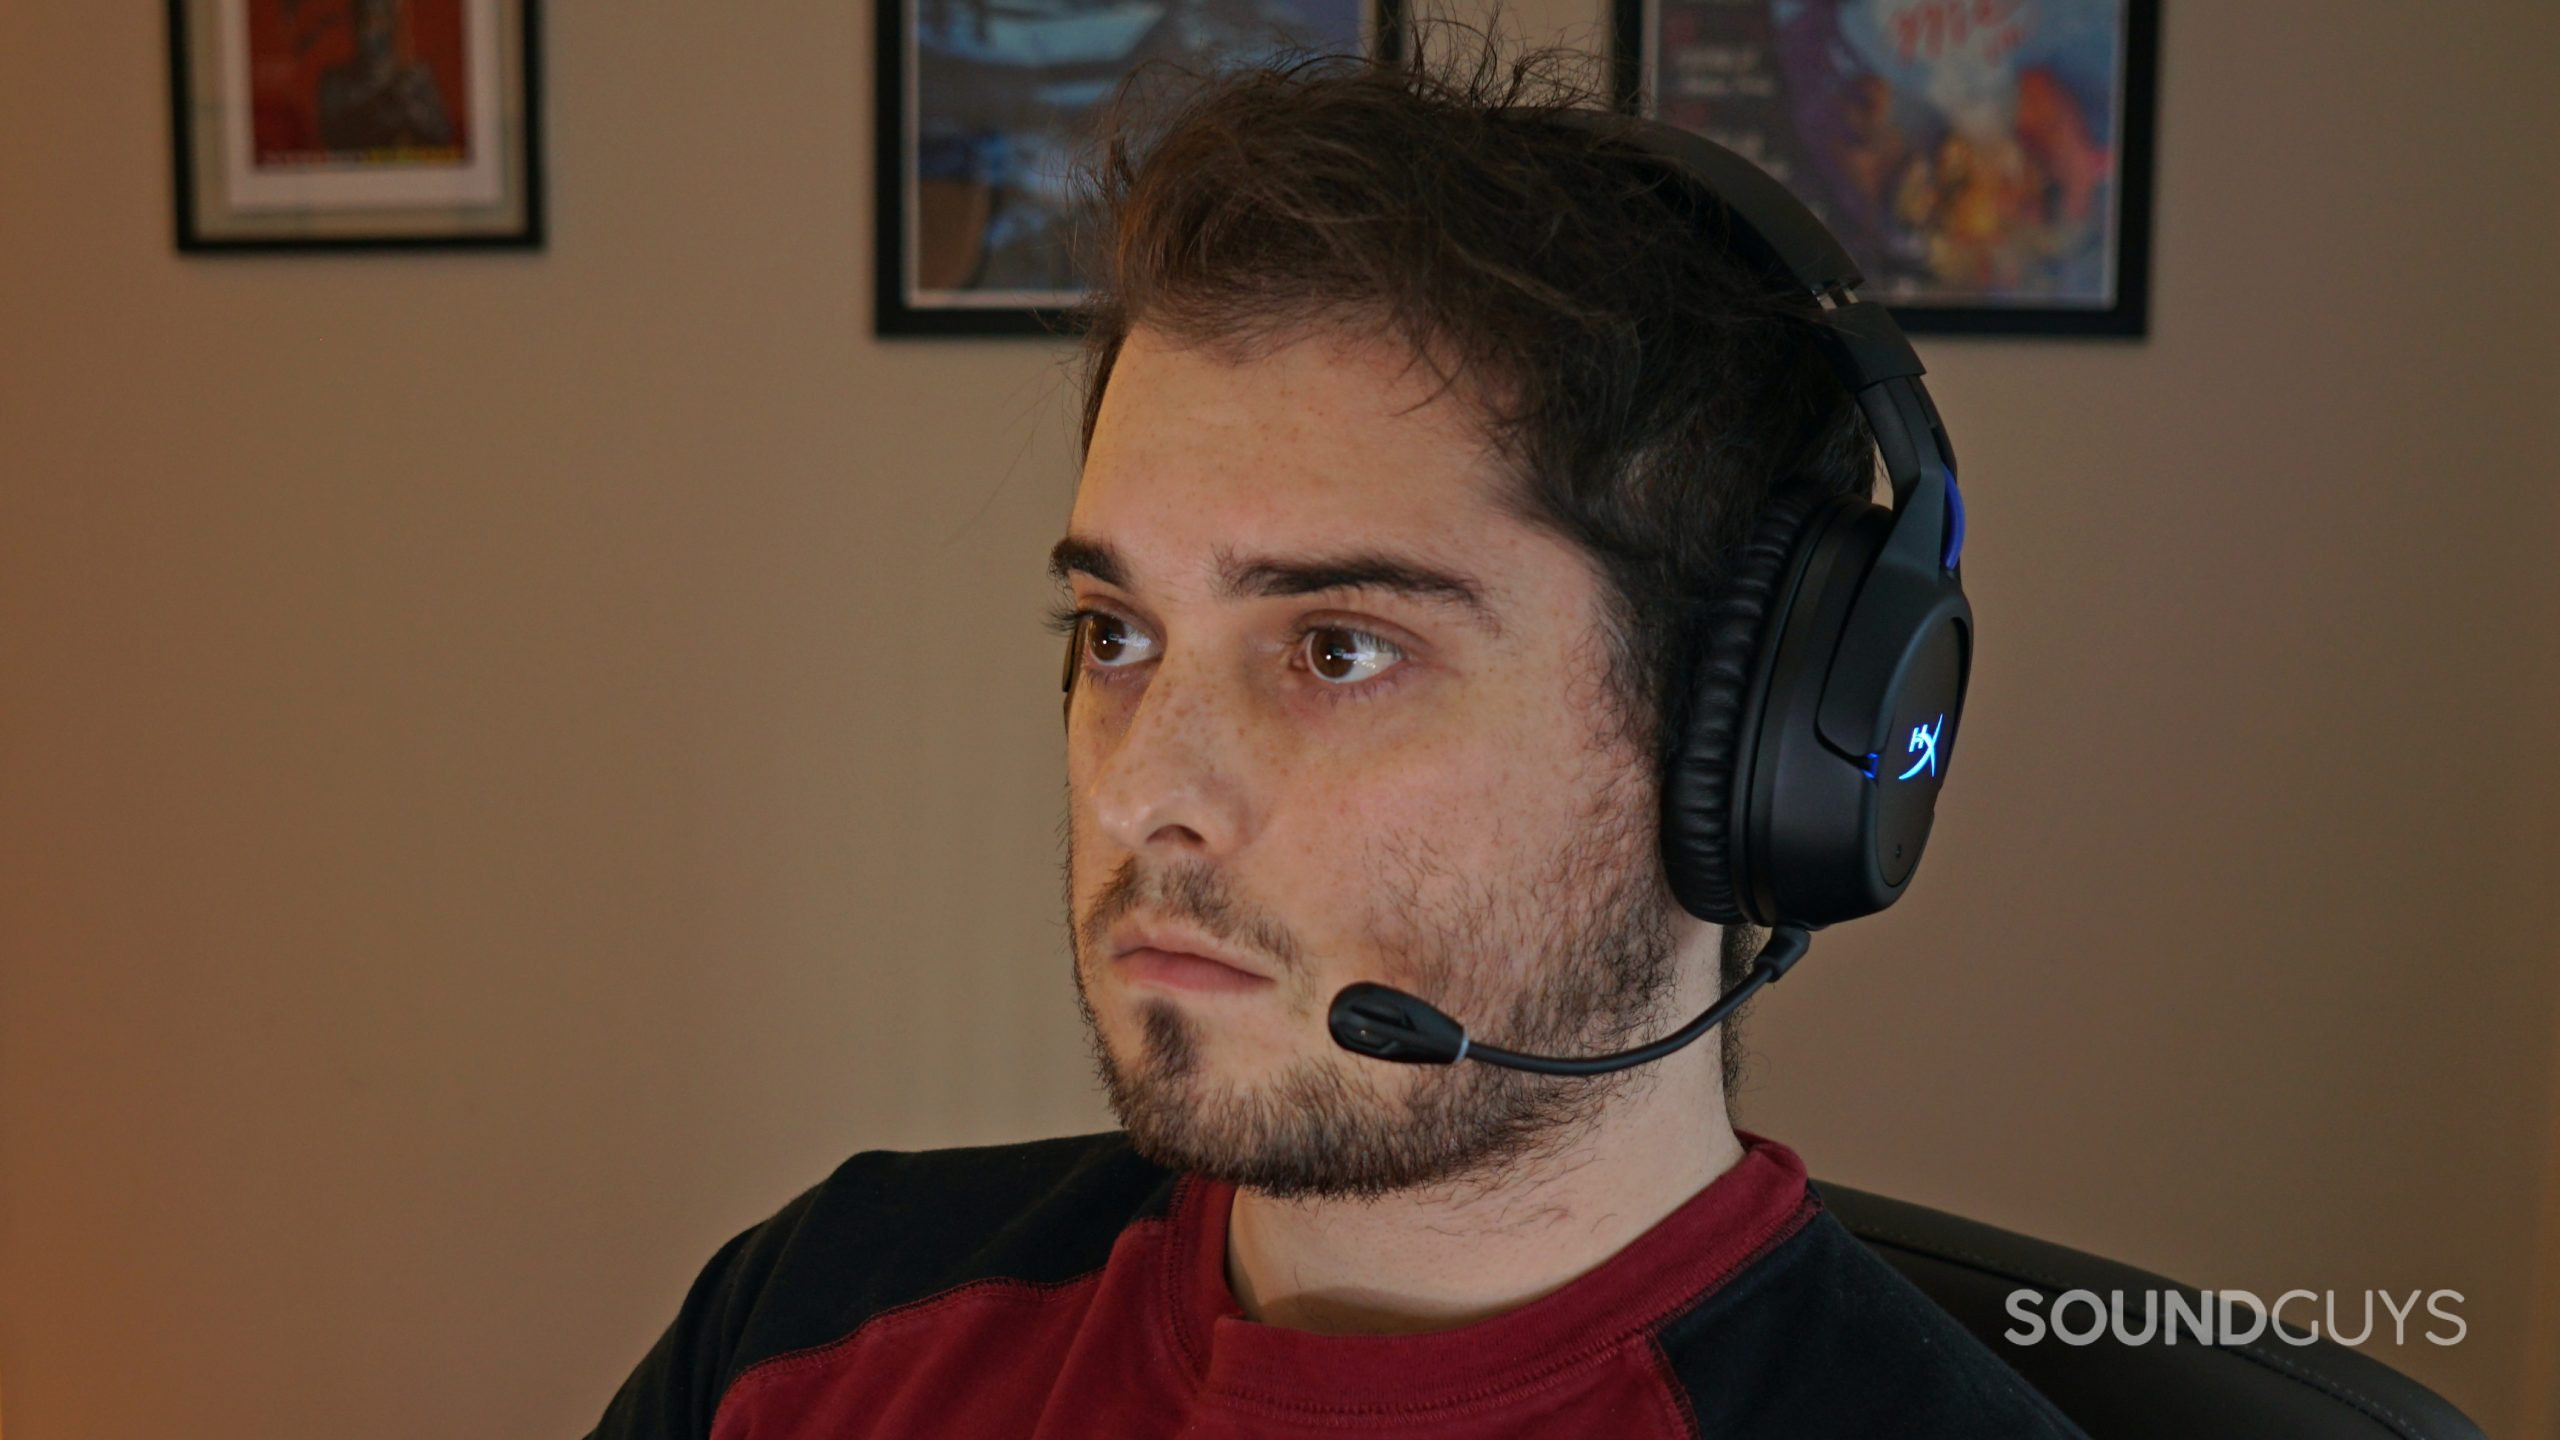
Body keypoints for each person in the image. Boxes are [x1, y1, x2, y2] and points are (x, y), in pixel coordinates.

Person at [585, 36, 2081, 1440]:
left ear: (1747, 747)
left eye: (1338, 648)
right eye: (1116, 634)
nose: (1143, 791)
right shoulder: (808, 1321)